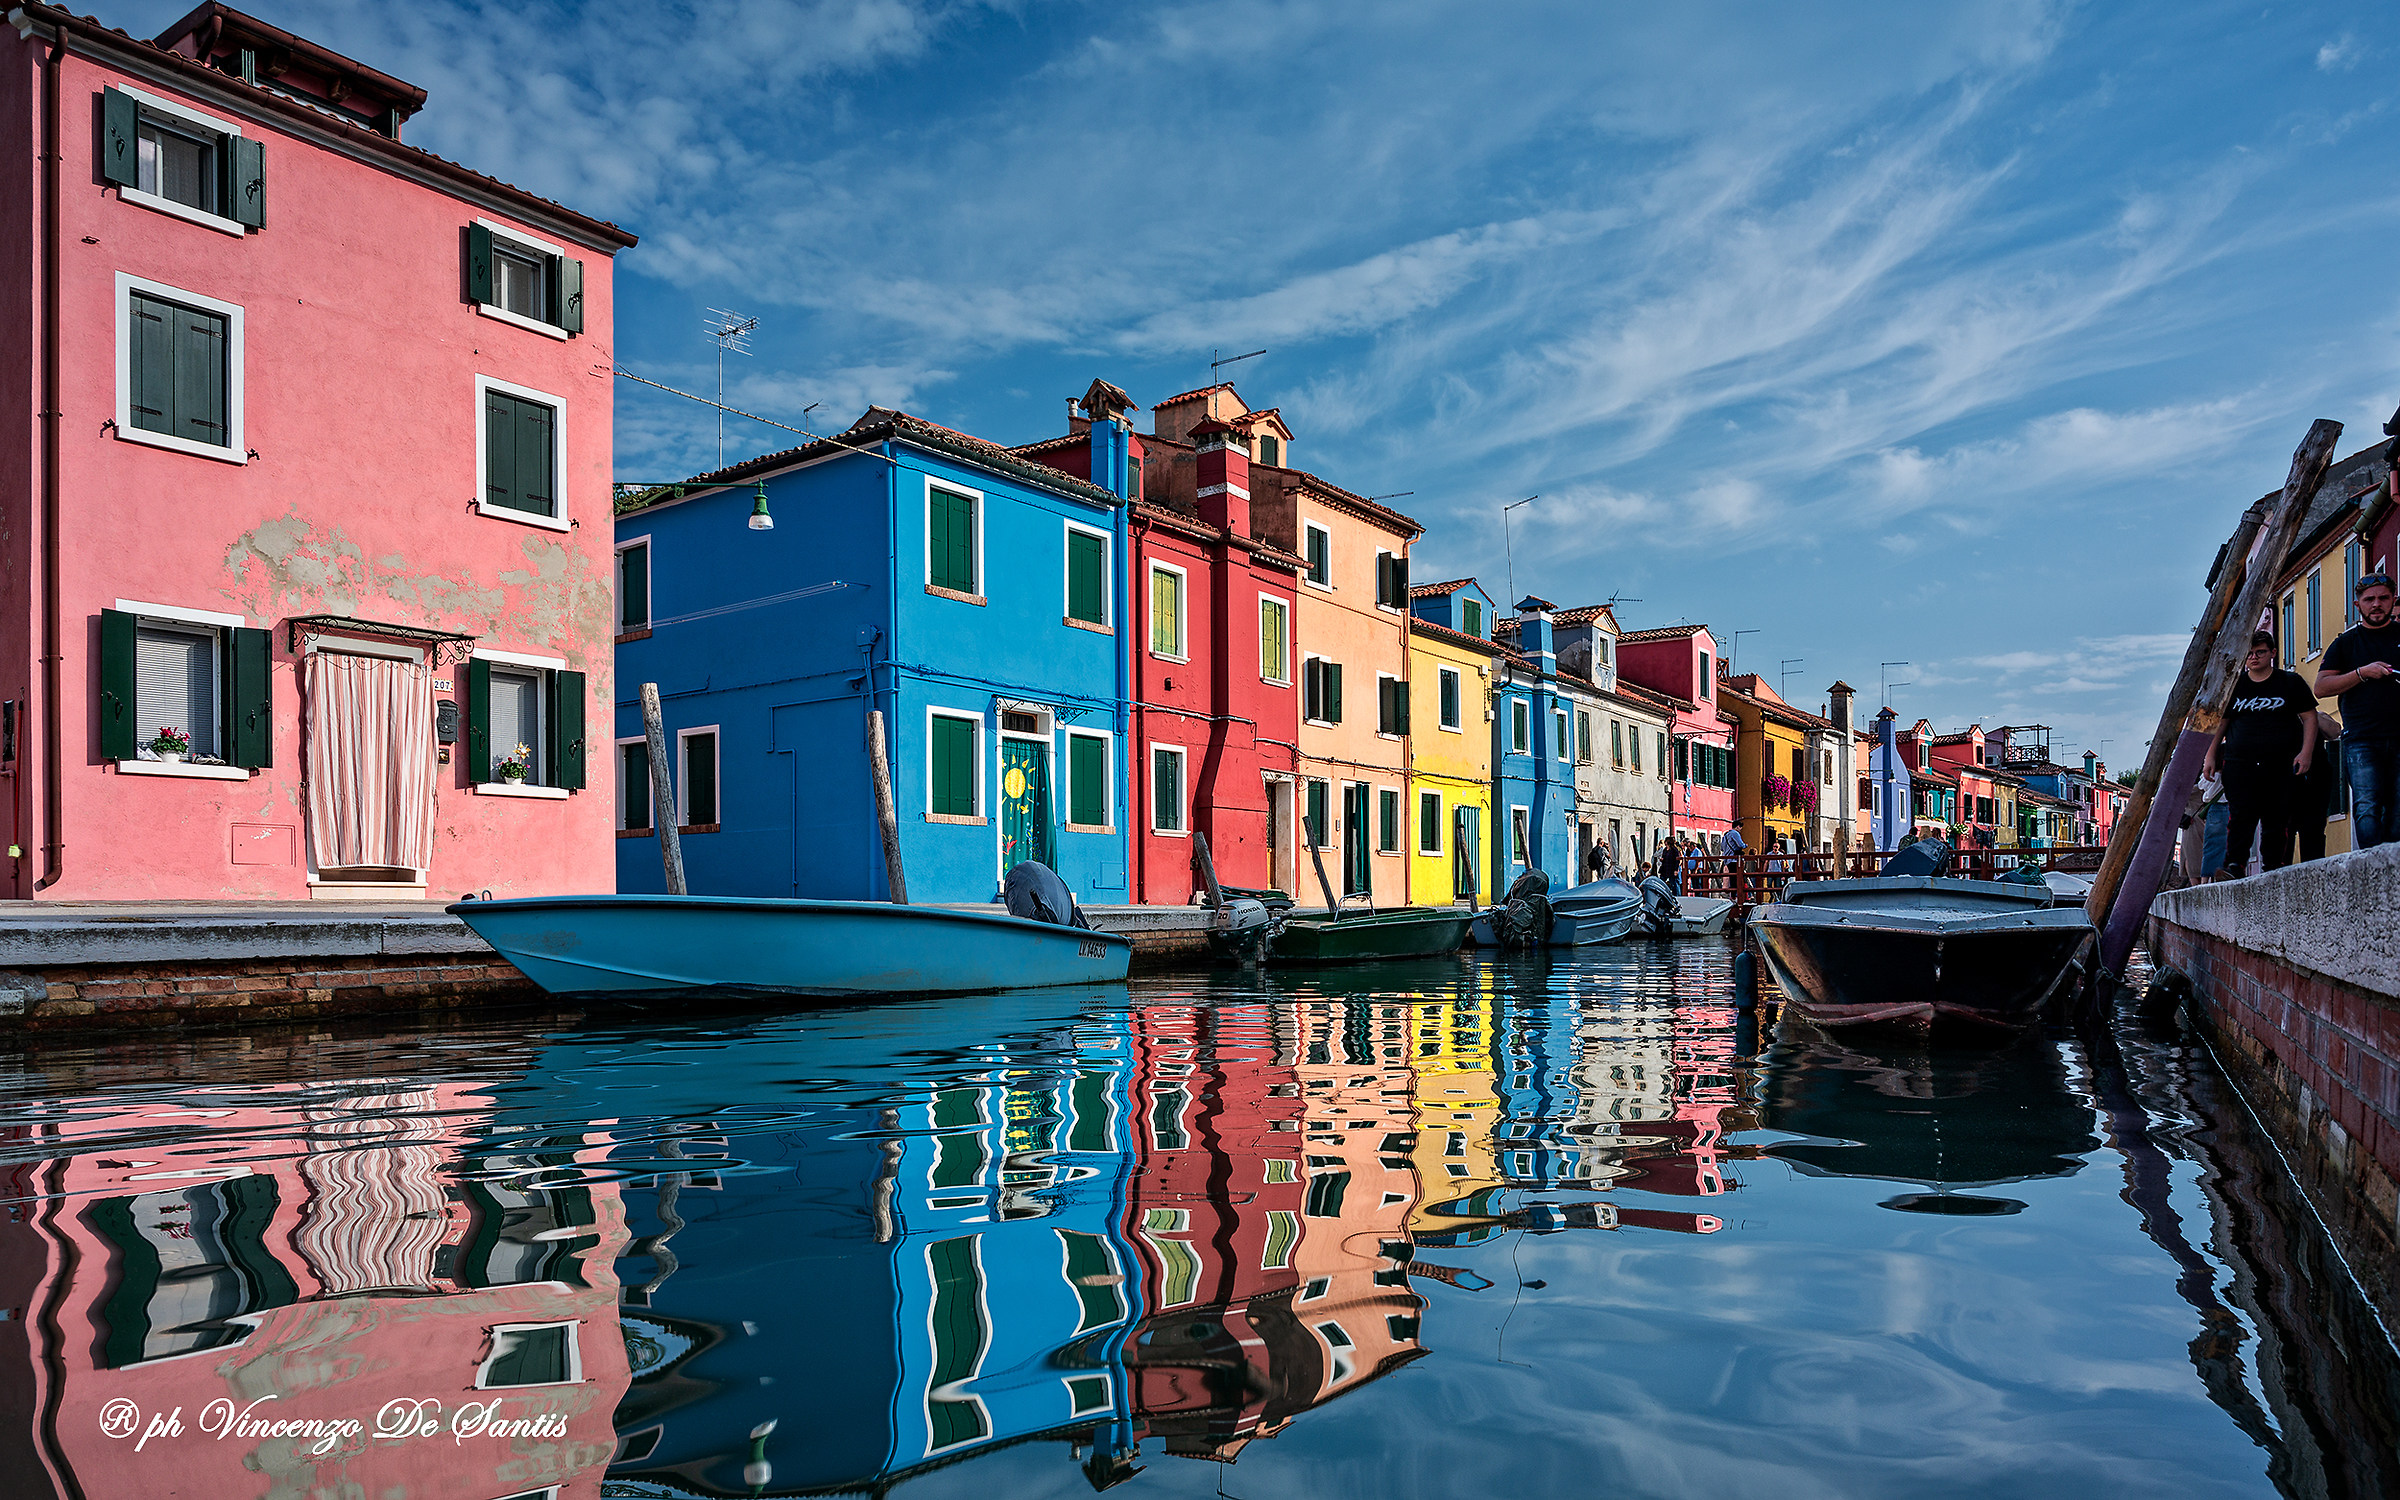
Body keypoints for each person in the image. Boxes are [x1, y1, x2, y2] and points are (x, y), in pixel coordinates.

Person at [2204, 630, 2318, 878]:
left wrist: (2306, 753)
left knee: (2276, 818)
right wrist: (2211, 755)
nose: (2254, 658)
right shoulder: (2234, 685)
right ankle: (2235, 866)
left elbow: (2310, 718)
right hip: (2239, 763)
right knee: (2241, 816)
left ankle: (2273, 867)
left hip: (2281, 762)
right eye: (2250, 654)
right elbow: (2221, 724)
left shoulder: (2290, 683)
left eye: (2260, 652)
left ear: (2272, 653)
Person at [2316, 572, 2399, 849]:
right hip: (2361, 738)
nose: (2377, 604)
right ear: (2357, 605)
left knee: (2399, 811)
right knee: (2366, 808)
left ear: (2393, 600)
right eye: (2370, 599)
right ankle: (2369, 870)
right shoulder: (2346, 643)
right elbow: (2321, 687)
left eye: (2383, 598)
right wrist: (2363, 673)